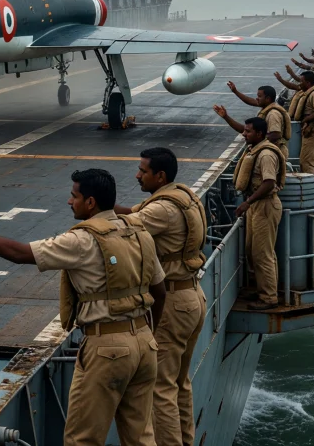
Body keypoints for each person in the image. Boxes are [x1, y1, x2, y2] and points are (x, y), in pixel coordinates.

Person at [0, 168, 167, 446]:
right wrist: (149, 333)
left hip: (107, 348)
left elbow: (19, 253)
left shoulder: (83, 240)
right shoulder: (139, 233)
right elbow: (159, 289)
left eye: (74, 196)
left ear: (91, 202)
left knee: (82, 439)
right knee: (141, 437)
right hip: (145, 344)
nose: (69, 201)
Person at [116, 148, 207, 446]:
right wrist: (110, 206)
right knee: (180, 382)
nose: (137, 175)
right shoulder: (183, 196)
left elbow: (124, 229)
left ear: (160, 176)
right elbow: (135, 213)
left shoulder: (160, 210)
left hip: (172, 303)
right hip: (193, 296)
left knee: (160, 387)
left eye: (143, 171)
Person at [234, 117, 284, 309]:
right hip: (256, 205)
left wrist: (248, 202)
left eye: (248, 131)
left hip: (265, 205)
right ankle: (262, 288)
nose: (244, 134)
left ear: (259, 134)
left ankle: (269, 297)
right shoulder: (255, 149)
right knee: (253, 252)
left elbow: (269, 182)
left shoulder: (265, 155)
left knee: (263, 254)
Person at [214, 82, 290, 154]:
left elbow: (275, 135)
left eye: (259, 96)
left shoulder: (273, 114)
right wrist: (226, 117)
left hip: (271, 153)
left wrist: (259, 145)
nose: (257, 98)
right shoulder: (266, 109)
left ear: (267, 99)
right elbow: (245, 130)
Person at [286, 71, 314, 190]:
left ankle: (310, 187)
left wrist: (307, 119)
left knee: (307, 160)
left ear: (308, 82)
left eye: (302, 81)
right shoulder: (310, 92)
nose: (300, 83)